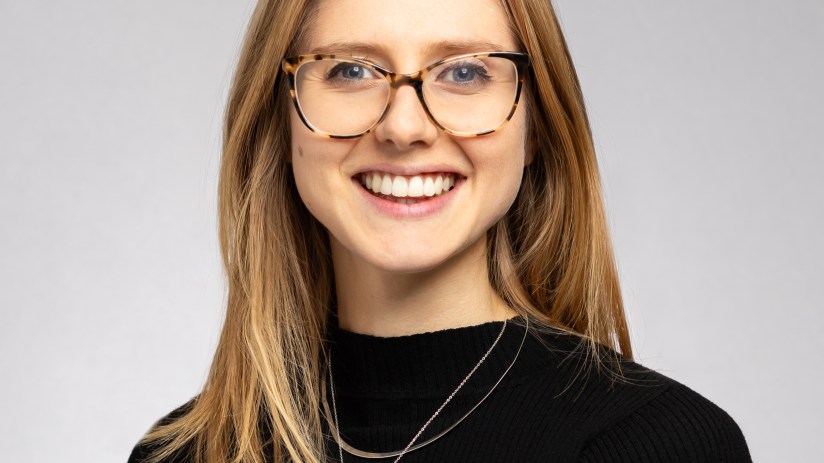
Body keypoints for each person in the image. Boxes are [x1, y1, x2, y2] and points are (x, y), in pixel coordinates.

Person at [129, 0, 751, 462]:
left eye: (463, 72)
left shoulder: (653, 445)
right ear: (282, 115)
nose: (404, 127)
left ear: (535, 126)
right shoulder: (180, 454)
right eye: (350, 69)